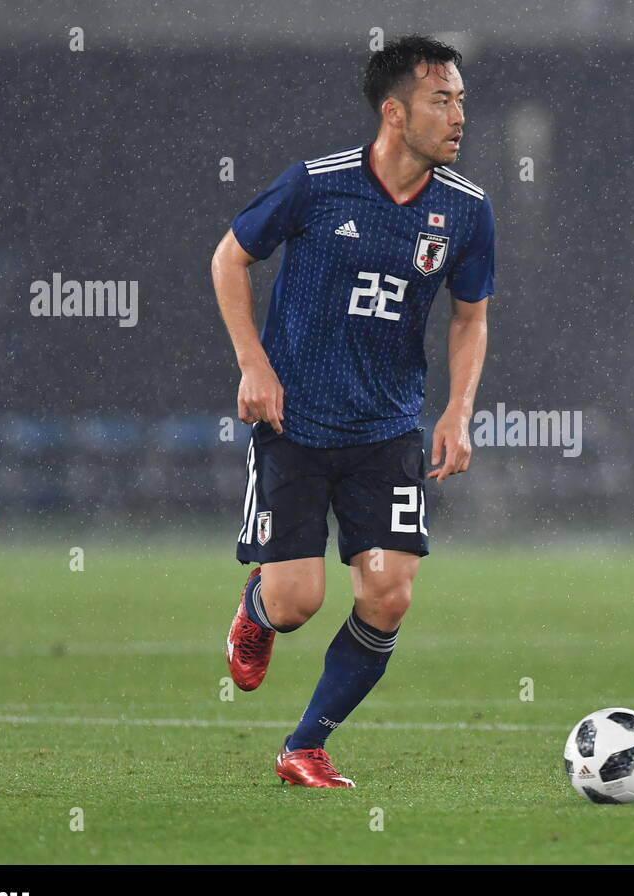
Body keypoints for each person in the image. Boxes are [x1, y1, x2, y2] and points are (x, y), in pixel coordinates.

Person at [209, 35, 494, 788]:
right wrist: (252, 363)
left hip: (387, 431)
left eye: (461, 97)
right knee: (299, 600)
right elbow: (229, 257)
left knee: (388, 591)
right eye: (443, 99)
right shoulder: (316, 185)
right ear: (395, 113)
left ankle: (305, 744)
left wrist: (458, 410)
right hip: (294, 426)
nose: (459, 113)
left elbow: (470, 316)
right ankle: (260, 608)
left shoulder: (465, 211)